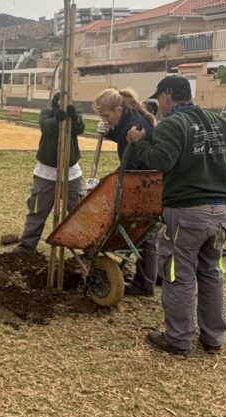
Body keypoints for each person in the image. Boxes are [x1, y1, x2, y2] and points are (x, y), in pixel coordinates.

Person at [127, 75, 226, 356]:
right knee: (211, 272)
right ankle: (213, 337)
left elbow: (161, 161)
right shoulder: (219, 123)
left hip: (186, 209)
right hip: (219, 210)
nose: (160, 105)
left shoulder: (173, 124)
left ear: (169, 95)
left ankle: (178, 339)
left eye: (160, 99)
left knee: (178, 274)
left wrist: (138, 142)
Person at [93, 87, 159, 297]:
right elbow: (123, 137)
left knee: (144, 234)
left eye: (107, 115)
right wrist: (110, 132)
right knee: (145, 233)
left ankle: (145, 283)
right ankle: (148, 278)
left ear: (118, 109)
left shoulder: (135, 124)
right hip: (145, 182)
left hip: (141, 183)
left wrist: (108, 182)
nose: (106, 119)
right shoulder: (131, 119)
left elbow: (131, 163)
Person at [18, 92, 84, 251]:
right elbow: (45, 126)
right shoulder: (46, 113)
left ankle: (86, 248)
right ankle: (27, 246)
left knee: (79, 211)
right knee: (37, 210)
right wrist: (57, 120)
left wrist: (73, 117)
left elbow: (80, 128)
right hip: (46, 173)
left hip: (71, 173)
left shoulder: (74, 113)